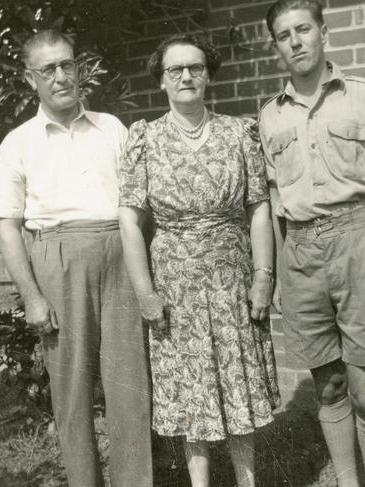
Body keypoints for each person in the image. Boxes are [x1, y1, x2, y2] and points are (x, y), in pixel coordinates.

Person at [0, 29, 152, 487]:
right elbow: (6, 226)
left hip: (118, 255)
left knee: (130, 388)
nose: (61, 76)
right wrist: (33, 297)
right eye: (48, 69)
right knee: (72, 393)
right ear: (29, 78)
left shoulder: (111, 128)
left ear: (78, 68)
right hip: (57, 259)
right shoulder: (18, 143)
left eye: (68, 65)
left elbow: (138, 205)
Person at [259, 2, 365, 487]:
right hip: (300, 254)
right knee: (328, 388)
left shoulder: (364, 96)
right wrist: (281, 271)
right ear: (277, 45)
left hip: (359, 240)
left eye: (303, 29)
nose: (296, 41)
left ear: (323, 32)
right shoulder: (269, 116)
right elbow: (274, 197)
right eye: (284, 35)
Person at [118, 33, 280, 487]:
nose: (186, 76)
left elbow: (259, 208)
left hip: (232, 278)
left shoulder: (239, 132)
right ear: (162, 81)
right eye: (175, 70)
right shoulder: (144, 139)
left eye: (195, 68)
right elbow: (129, 222)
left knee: (237, 384)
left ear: (208, 75)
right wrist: (146, 293)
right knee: (193, 390)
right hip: (175, 284)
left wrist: (264, 276)